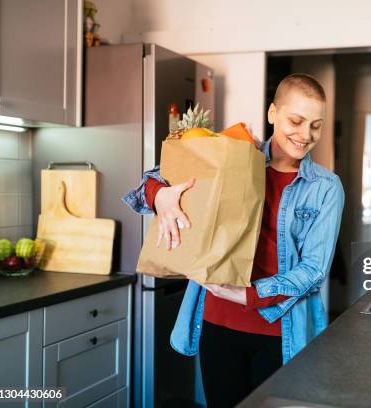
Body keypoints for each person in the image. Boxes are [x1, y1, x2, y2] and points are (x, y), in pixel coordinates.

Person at [123, 73, 344, 407]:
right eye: (296, 121)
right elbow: (148, 183)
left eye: (316, 125)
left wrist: (251, 295)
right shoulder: (234, 153)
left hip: (281, 333)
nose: (305, 134)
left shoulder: (326, 187)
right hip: (216, 321)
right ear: (273, 114)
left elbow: (314, 269)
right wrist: (161, 197)